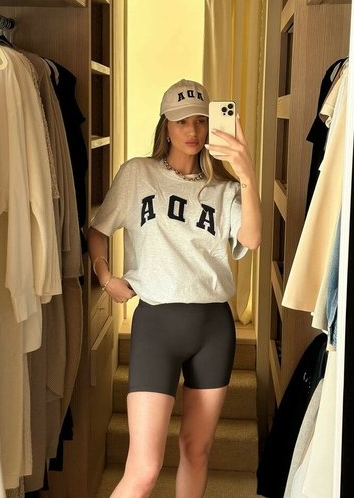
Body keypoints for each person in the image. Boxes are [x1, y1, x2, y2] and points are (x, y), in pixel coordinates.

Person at [87, 79, 262, 498]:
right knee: (144, 469)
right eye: (182, 121)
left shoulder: (225, 189)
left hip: (213, 328)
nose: (193, 130)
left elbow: (252, 239)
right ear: (165, 125)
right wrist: (106, 278)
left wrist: (247, 174)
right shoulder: (138, 173)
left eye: (201, 120)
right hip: (157, 326)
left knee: (196, 451)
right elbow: (98, 230)